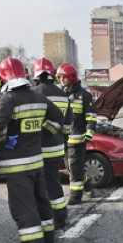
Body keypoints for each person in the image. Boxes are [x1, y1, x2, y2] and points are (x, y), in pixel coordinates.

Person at [0, 57, 64, 243]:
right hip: (36, 160)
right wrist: (40, 131)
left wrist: (5, 139)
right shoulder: (37, 97)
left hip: (16, 164)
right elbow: (58, 119)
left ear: (4, 77)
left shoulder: (8, 100)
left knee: (23, 207)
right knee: (41, 200)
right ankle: (47, 239)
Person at [31, 58, 73, 229]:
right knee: (54, 183)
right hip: (56, 148)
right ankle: (61, 217)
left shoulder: (33, 93)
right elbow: (68, 125)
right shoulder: (63, 95)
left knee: (38, 186)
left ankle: (44, 219)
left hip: (37, 148)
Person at [56, 63, 96, 205]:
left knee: (74, 168)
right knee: (70, 168)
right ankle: (87, 184)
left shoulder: (84, 95)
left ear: (71, 78)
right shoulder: (60, 95)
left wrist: (89, 131)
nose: (61, 80)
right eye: (59, 77)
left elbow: (91, 116)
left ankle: (75, 197)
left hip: (78, 139)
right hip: (64, 139)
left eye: (64, 77)